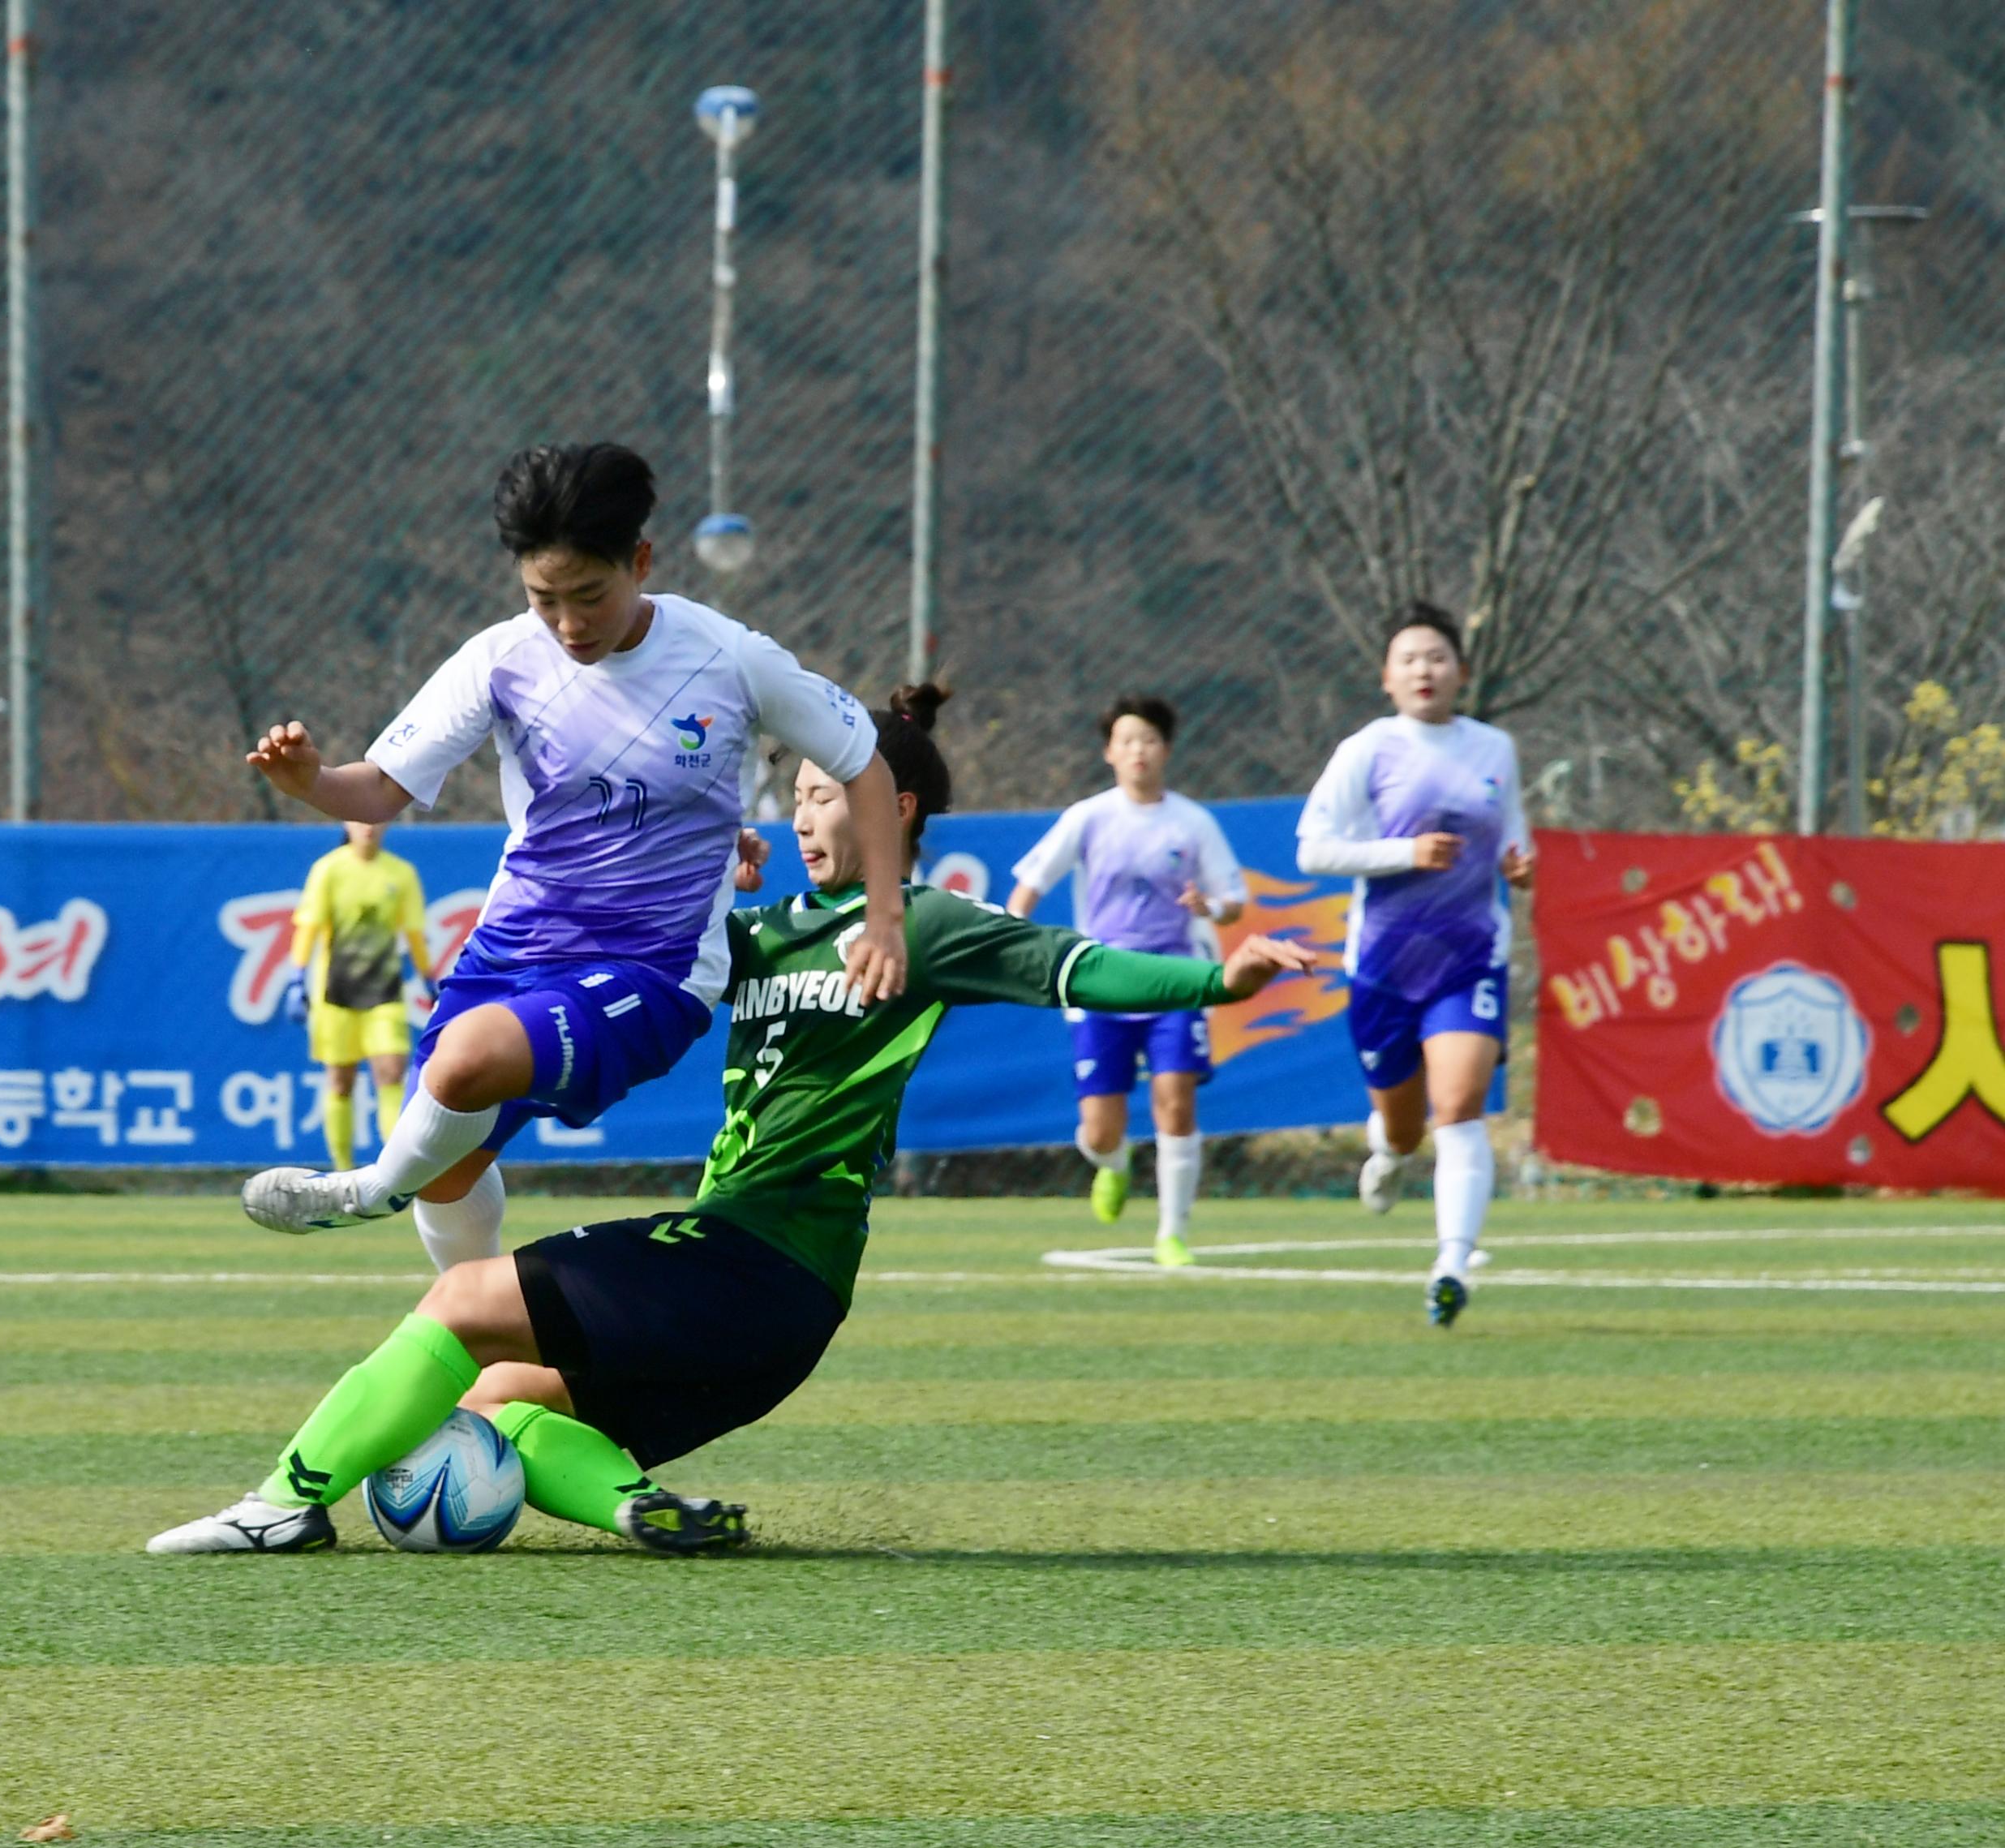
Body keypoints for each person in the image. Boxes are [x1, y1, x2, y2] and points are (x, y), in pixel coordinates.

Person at [150, 684, 1319, 1554]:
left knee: (460, 1303)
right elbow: (651, 953)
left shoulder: (927, 924)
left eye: (824, 794)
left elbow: (1086, 967)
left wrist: (1217, 982)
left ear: (891, 806)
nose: (807, 817)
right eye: (797, 797)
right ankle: (643, 1507)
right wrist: (708, 880)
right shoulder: (759, 937)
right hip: (773, 1318)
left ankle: (281, 1507)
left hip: (759, 1259)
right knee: (490, 1401)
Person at [237, 441, 907, 1277]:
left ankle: (370, 1189)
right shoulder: (501, 660)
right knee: (451, 1171)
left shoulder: (729, 659)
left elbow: (861, 761)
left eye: (589, 596)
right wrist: (311, 781)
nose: (567, 623)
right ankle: (478, 1357)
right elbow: (376, 790)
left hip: (653, 970)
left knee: (465, 1062)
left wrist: (884, 918)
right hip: (512, 949)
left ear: (642, 561)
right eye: (543, 598)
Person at [1296, 600, 1534, 1327]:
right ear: (1387, 678)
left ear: (1461, 671)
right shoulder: (1368, 748)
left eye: (1437, 657)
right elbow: (1313, 848)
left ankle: (1451, 1264)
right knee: (1403, 1128)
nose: (1424, 670)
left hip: (1468, 960)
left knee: (1459, 1108)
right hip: (1384, 968)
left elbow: (1513, 837)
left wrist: (1523, 866)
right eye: (1409, 659)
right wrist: (1405, 853)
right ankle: (1389, 1153)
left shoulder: (1495, 748)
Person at [1011, 693, 1247, 1266]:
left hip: (1176, 980)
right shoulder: (1089, 817)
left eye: (1149, 740)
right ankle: (1112, 1165)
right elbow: (1032, 882)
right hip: (1101, 982)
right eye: (1126, 741)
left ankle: (1173, 1234)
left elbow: (1235, 902)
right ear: (1109, 752)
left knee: (1175, 1104)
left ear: (1166, 750)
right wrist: (1009, 937)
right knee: (1100, 1129)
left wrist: (1209, 906)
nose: (1138, 751)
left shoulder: (1192, 823)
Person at [286, 821, 433, 1171]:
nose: (368, 826)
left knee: (391, 1071)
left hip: (383, 993)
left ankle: (397, 1169)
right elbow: (308, 929)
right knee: (340, 1080)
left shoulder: (400, 873)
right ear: (346, 823)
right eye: (359, 818)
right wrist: (296, 980)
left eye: (375, 818)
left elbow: (414, 933)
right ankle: (343, 1168)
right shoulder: (329, 870)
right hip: (335, 993)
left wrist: (429, 979)